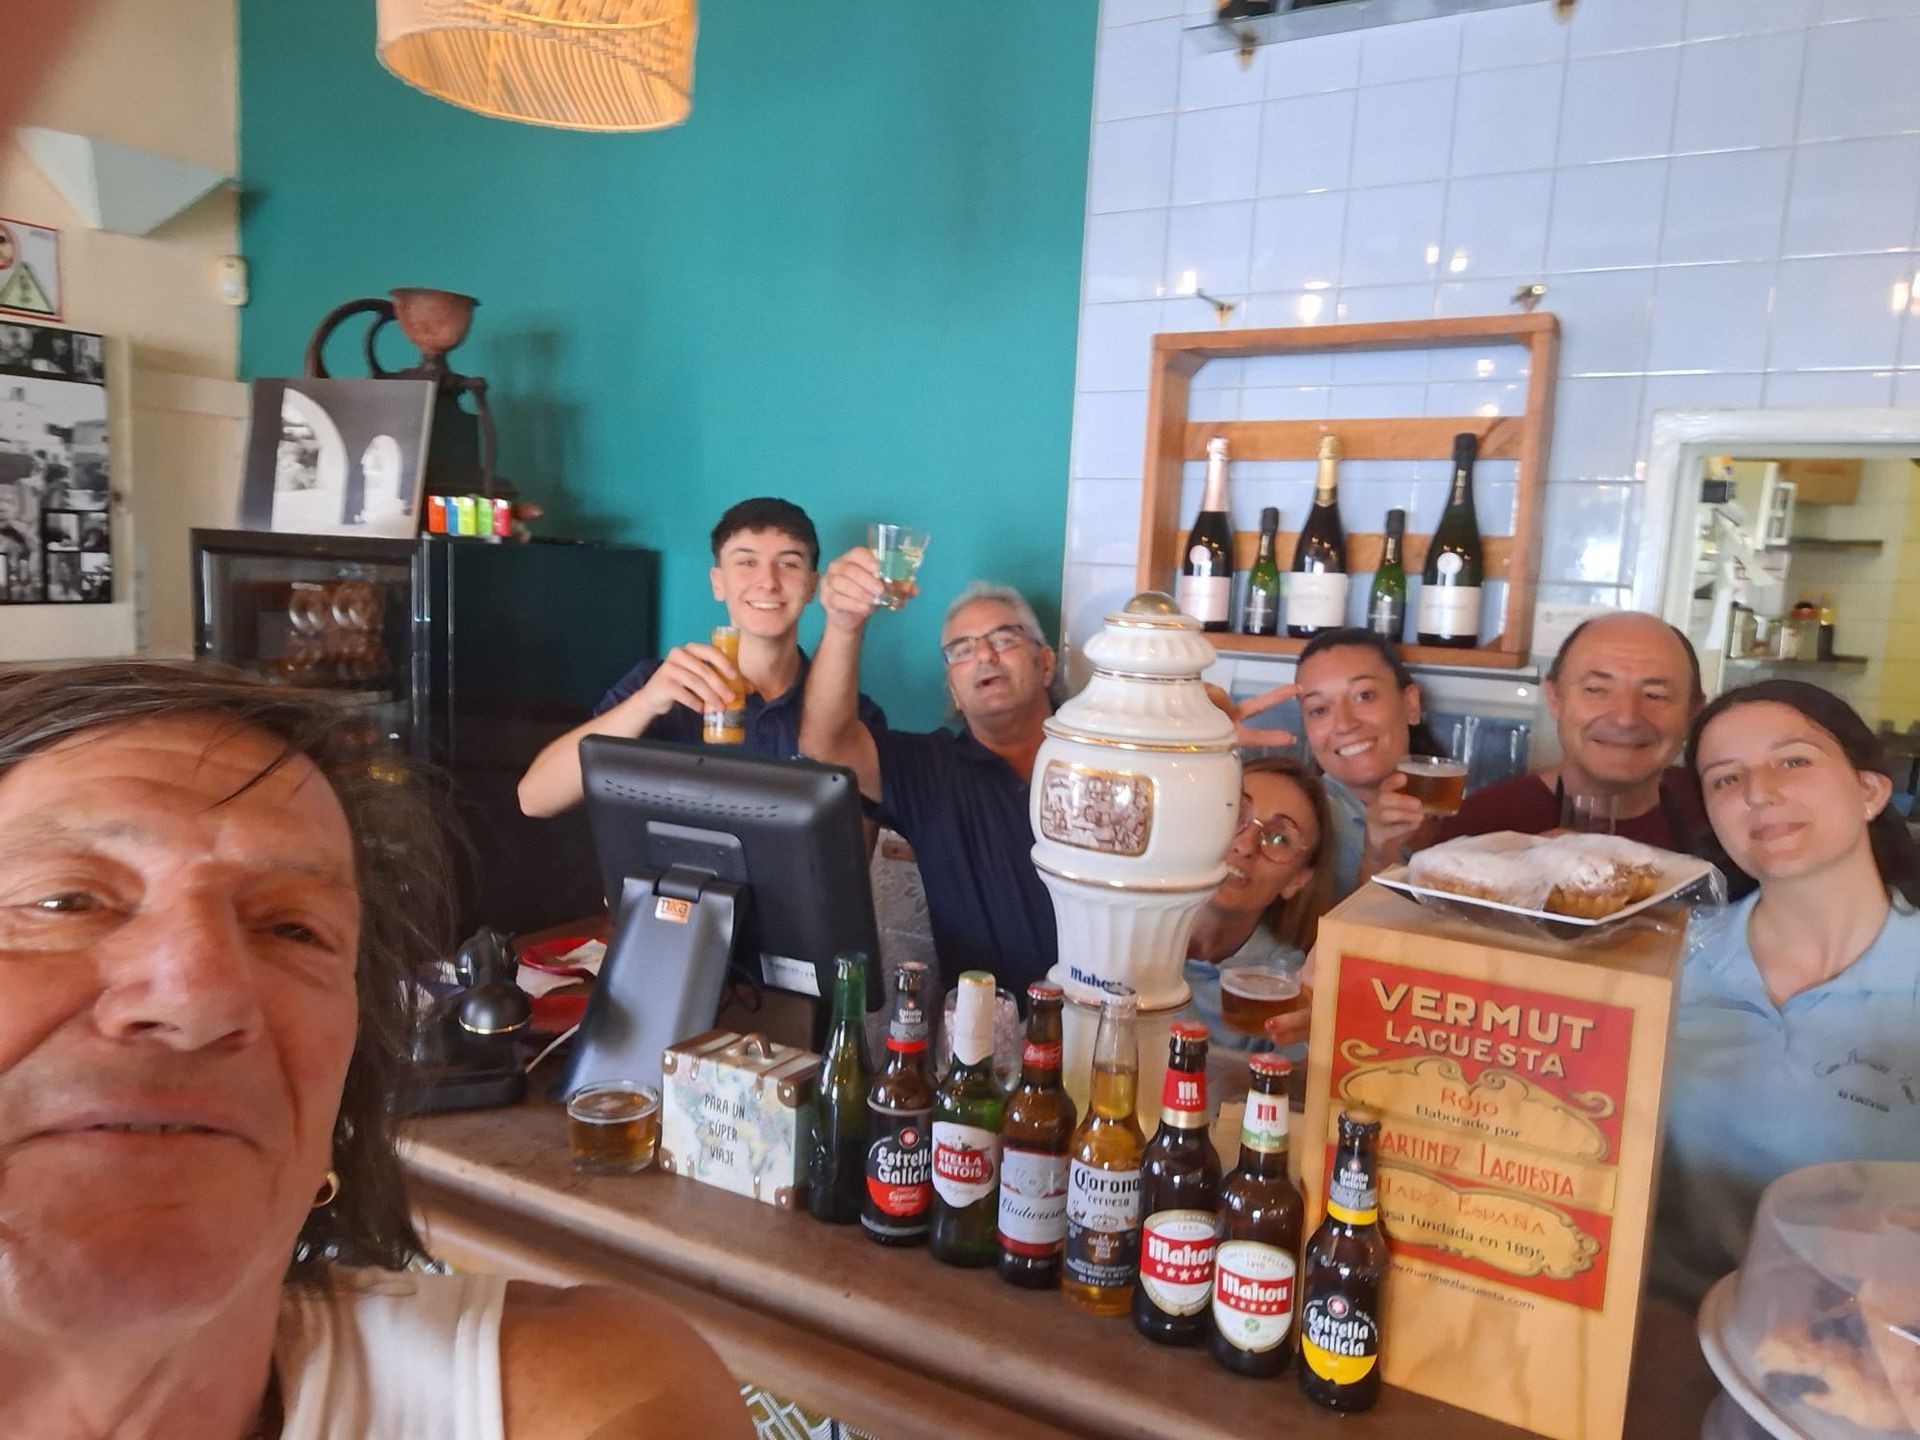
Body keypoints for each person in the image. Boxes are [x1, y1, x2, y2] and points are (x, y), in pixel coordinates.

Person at [0, 662, 750, 1438]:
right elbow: (538, 790)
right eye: (65, 902)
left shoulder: (583, 1398)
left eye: (293, 928)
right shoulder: (652, 685)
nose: (201, 998)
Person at [1651, 680, 1920, 1307]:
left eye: (1793, 760)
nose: (1758, 792)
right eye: (1724, 778)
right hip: (1654, 1333)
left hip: (1857, 1356)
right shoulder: (1666, 955)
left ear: (1870, 790)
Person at [518, 497, 885, 818]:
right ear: (717, 582)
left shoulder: (852, 715)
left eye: (788, 564)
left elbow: (851, 862)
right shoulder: (658, 684)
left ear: (810, 586)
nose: (768, 582)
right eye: (746, 562)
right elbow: (535, 799)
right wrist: (647, 703)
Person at [802, 555, 1062, 993]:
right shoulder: (930, 769)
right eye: (961, 650)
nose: (984, 654)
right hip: (983, 1042)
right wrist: (845, 625)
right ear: (954, 692)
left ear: (1046, 665)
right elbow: (825, 743)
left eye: (1004, 638)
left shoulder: (1104, 762)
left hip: (1108, 1029)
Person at [1436, 611, 1709, 851]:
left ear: (1693, 711)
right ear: (1554, 698)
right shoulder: (1483, 824)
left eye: (1655, 695)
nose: (1626, 718)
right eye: (1596, 690)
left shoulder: (1715, 811)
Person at [1183, 756, 1334, 1053]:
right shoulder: (1121, 923)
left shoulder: (1286, 983)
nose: (1246, 845)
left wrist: (1321, 1039)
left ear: (1297, 881)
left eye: (1279, 838)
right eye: (1235, 814)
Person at [1292, 627, 1443, 900]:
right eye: (1319, 709)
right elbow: (1329, 942)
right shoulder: (1297, 825)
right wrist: (1377, 856)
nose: (1345, 724)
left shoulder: (1455, 804)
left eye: (1364, 696)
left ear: (1410, 704)